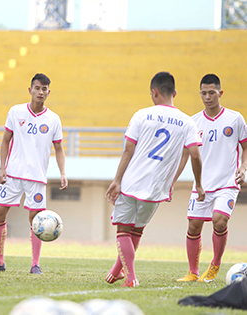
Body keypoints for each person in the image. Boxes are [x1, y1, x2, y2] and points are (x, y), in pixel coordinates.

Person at [105, 71, 205, 287]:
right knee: (137, 230)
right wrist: (197, 183)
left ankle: (131, 278)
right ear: (174, 93)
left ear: (154, 92)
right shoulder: (188, 122)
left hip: (132, 181)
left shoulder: (141, 115)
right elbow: (195, 155)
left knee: (123, 229)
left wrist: (116, 180)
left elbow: (128, 151)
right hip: (157, 187)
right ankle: (118, 269)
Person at [0, 73, 68, 274]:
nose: (40, 92)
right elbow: (5, 141)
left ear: (48, 92)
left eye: (44, 89)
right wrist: (2, 168)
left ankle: (35, 264)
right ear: (30, 90)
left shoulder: (53, 119)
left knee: (36, 221)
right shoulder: (16, 112)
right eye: (37, 88)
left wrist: (63, 173)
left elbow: (59, 148)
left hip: (37, 178)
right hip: (13, 175)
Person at [177, 74, 247, 283]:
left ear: (220, 93)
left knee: (219, 220)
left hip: (228, 182)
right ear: (200, 94)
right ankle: (192, 272)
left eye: (212, 93)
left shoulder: (235, 119)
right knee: (193, 226)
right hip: (202, 184)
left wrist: (243, 167)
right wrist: (171, 181)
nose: (208, 97)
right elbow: (185, 154)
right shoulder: (193, 122)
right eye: (204, 93)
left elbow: (245, 146)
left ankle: (215, 265)